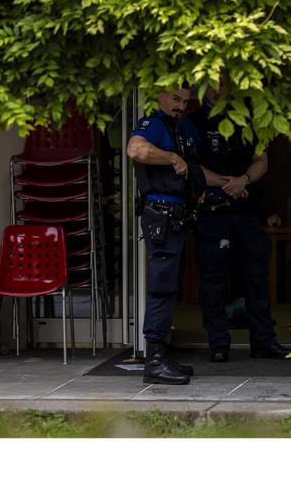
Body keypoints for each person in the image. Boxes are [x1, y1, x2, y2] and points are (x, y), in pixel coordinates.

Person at [191, 80, 291, 362]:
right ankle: (218, 343)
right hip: (212, 212)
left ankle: (263, 341)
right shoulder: (194, 122)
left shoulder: (248, 118)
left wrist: (244, 180)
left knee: (257, 278)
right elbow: (191, 165)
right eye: (209, 83)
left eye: (221, 83)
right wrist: (230, 184)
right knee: (214, 281)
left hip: (247, 210)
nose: (215, 89)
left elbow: (262, 159)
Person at [127, 85, 204, 385]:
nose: (181, 105)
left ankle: (161, 354)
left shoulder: (180, 128)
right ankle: (154, 360)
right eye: (175, 98)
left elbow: (194, 169)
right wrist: (172, 158)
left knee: (170, 287)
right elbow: (136, 149)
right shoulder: (154, 125)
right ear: (159, 95)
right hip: (161, 216)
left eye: (185, 101)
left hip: (177, 217)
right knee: (161, 287)